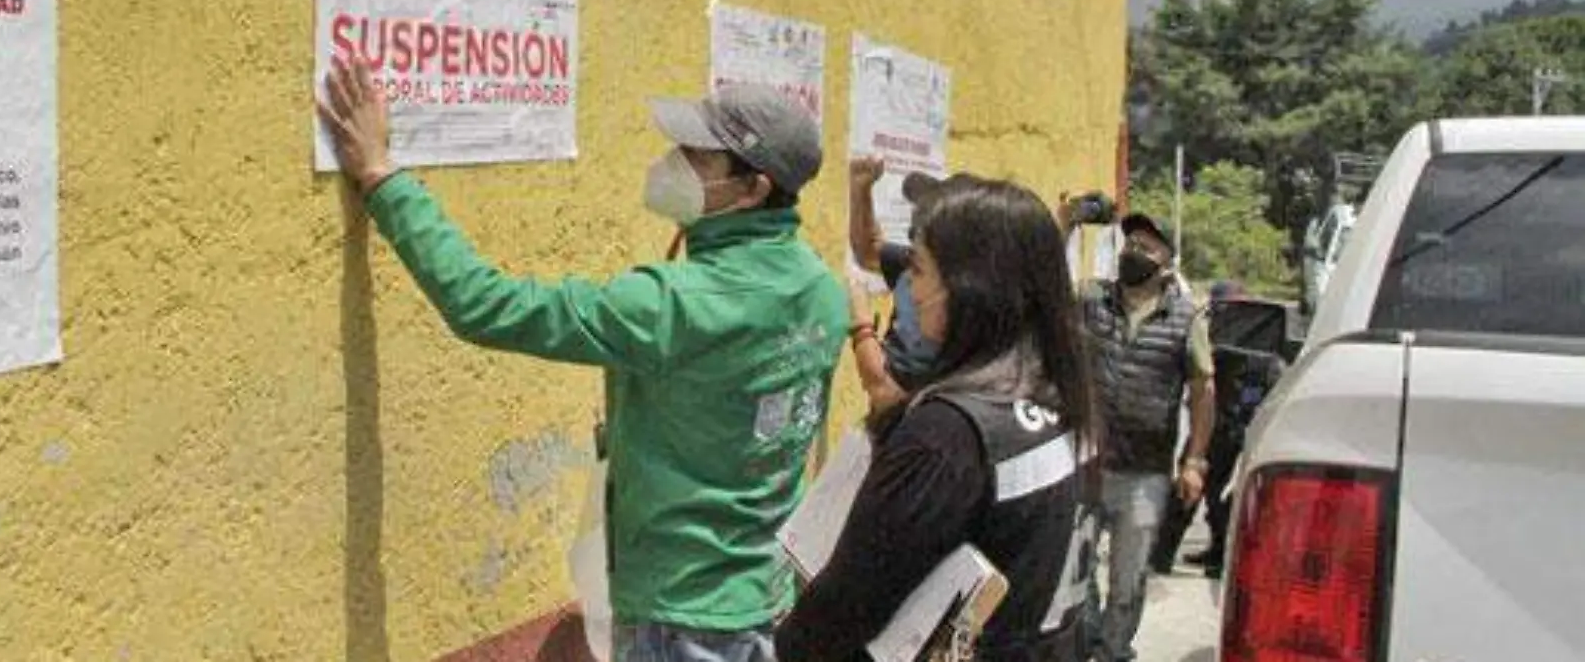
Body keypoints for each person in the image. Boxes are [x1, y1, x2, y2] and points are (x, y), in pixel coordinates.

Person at [319, 59, 847, 662]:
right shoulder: (821, 292)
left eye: (698, 158)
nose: (674, 163)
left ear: (754, 189)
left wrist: (382, 176)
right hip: (764, 598)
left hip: (680, 620)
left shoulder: (673, 303)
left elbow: (485, 306)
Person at [776, 175, 1100, 662]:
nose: (908, 287)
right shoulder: (1061, 390)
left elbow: (844, 612)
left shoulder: (950, 434)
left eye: (919, 269)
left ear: (973, 288)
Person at [1076, 213, 1216, 662]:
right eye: (1130, 243)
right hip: (1086, 463)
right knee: (1075, 571)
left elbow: (1202, 392)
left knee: (1129, 579)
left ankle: (1113, 652)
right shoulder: (1091, 300)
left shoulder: (1186, 319)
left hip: (1145, 474)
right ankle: (1086, 642)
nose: (1133, 251)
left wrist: (1194, 461)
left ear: (1166, 263)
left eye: (1146, 247)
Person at [1149, 281, 1286, 578]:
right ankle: (1219, 554)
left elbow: (1201, 382)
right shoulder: (1265, 344)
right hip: (1246, 427)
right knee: (1219, 493)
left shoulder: (1221, 340)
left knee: (1190, 489)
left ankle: (1163, 554)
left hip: (1217, 424)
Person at [846, 159, 979, 409]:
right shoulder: (919, 265)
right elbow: (869, 251)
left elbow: (886, 393)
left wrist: (861, 325)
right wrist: (861, 188)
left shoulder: (948, 308)